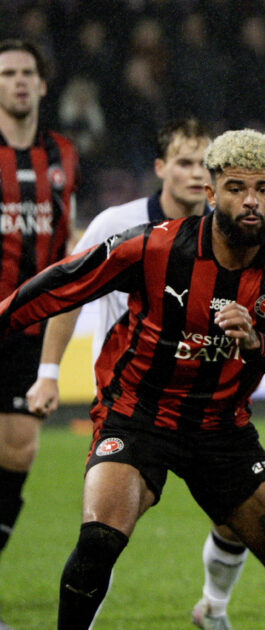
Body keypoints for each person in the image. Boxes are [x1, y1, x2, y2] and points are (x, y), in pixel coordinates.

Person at [0, 128, 265, 630]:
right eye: (236, 188)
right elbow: (63, 284)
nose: (250, 201)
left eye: (262, 189)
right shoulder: (154, 247)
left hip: (224, 432)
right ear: (211, 192)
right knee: (98, 541)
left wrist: (257, 345)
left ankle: (213, 607)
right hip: (137, 418)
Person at [23, 118, 250, 630]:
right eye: (184, 162)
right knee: (104, 533)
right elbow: (67, 298)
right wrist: (49, 372)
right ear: (160, 168)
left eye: (205, 164)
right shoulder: (116, 225)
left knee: (238, 519)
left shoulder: (231, 229)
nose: (196, 175)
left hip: (204, 401)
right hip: (133, 406)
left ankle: (213, 607)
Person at [0, 39, 78, 629]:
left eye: (28, 72)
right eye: (8, 73)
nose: (19, 82)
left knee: (18, 451)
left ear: (43, 85)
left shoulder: (63, 153)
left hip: (29, 326)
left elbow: (66, 233)